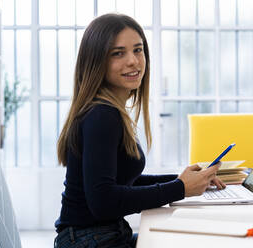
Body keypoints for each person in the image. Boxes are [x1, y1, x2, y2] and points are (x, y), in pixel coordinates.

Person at [54, 13, 226, 248]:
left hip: (99, 236)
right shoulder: (102, 115)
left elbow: (121, 182)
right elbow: (103, 201)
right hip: (91, 241)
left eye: (138, 50)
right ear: (96, 61)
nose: (134, 61)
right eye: (118, 53)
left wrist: (185, 180)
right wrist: (180, 188)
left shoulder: (106, 110)